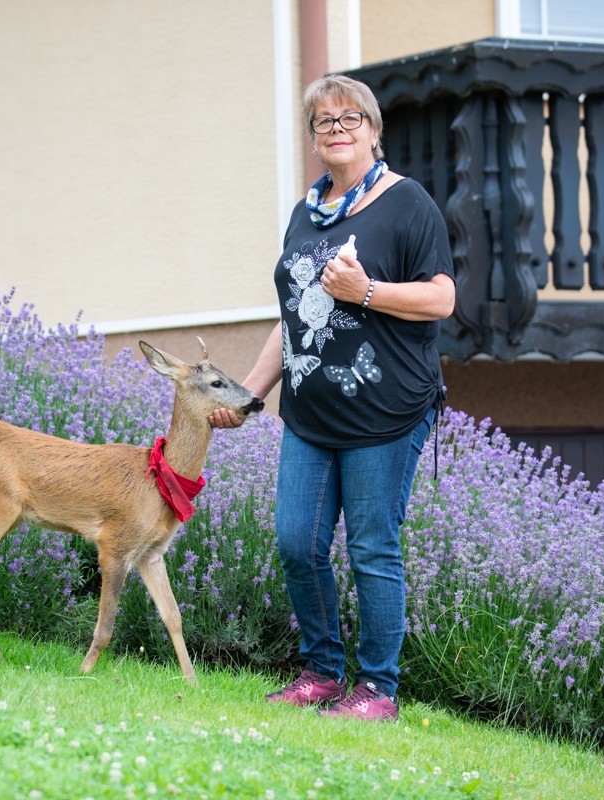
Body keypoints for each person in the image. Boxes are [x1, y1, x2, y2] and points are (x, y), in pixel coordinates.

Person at [210, 74, 455, 721]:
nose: (338, 128)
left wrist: (366, 292)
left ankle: (377, 690)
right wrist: (249, 396)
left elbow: (441, 297)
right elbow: (291, 318)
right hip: (311, 415)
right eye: (324, 121)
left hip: (386, 413)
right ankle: (321, 672)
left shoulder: (408, 205)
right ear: (315, 139)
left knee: (372, 545)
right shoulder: (306, 213)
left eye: (351, 118)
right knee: (298, 541)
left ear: (374, 131)